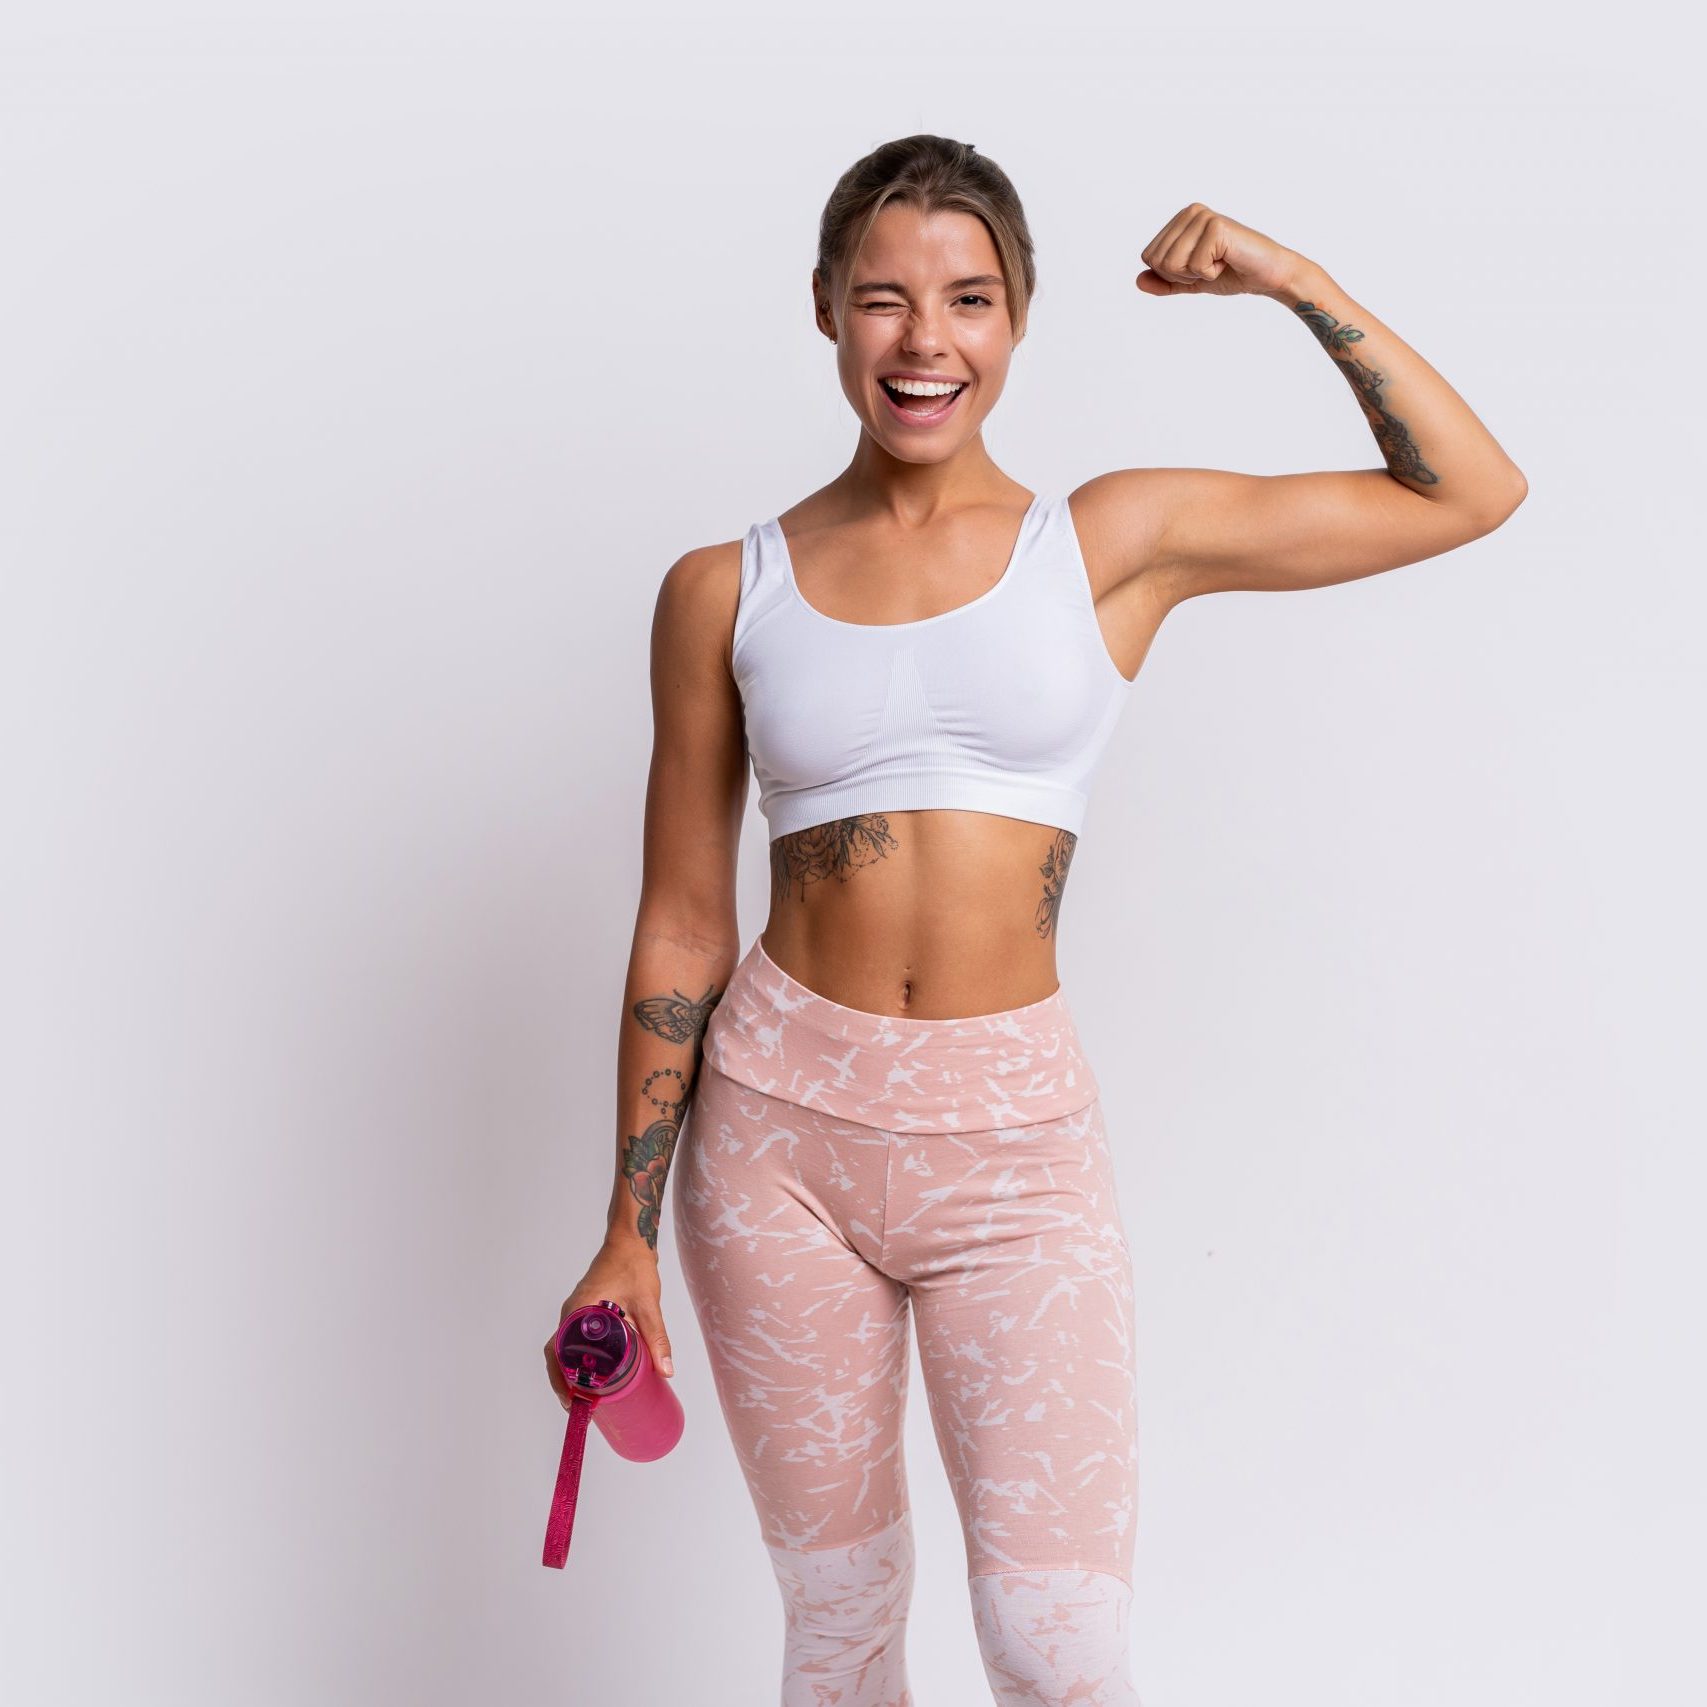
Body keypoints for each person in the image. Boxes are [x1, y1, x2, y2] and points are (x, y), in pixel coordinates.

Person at [545, 134, 1526, 1706]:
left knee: (1058, 1647)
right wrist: (623, 1238)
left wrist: (1290, 279)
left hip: (1013, 1144)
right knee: (841, 1628)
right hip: (778, 1144)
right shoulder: (725, 590)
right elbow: (679, 927)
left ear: (1018, 320)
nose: (925, 342)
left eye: (969, 300)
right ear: (823, 312)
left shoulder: (1111, 543)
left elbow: (1469, 491)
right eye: (883, 300)